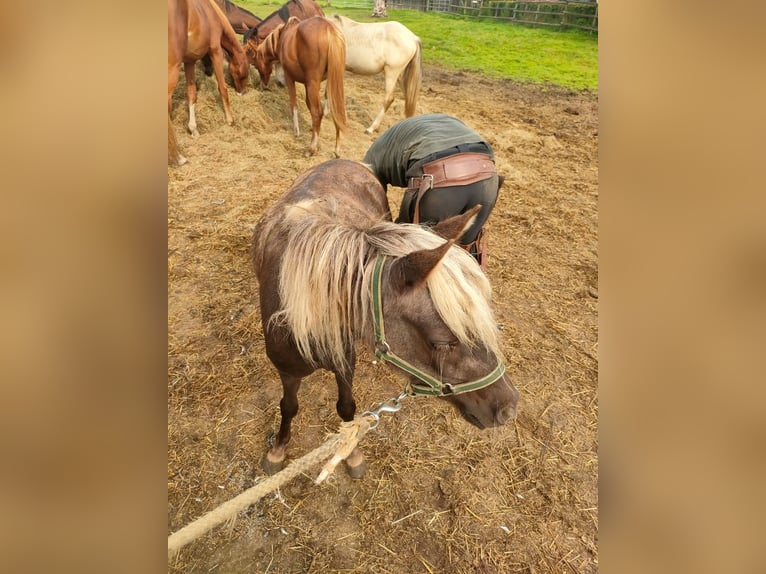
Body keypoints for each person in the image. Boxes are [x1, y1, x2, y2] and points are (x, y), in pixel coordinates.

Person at [363, 113, 504, 268]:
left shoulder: (369, 163)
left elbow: (374, 207)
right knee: (466, 252)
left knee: (403, 249)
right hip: (487, 177)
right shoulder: (432, 124)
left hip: (438, 181)